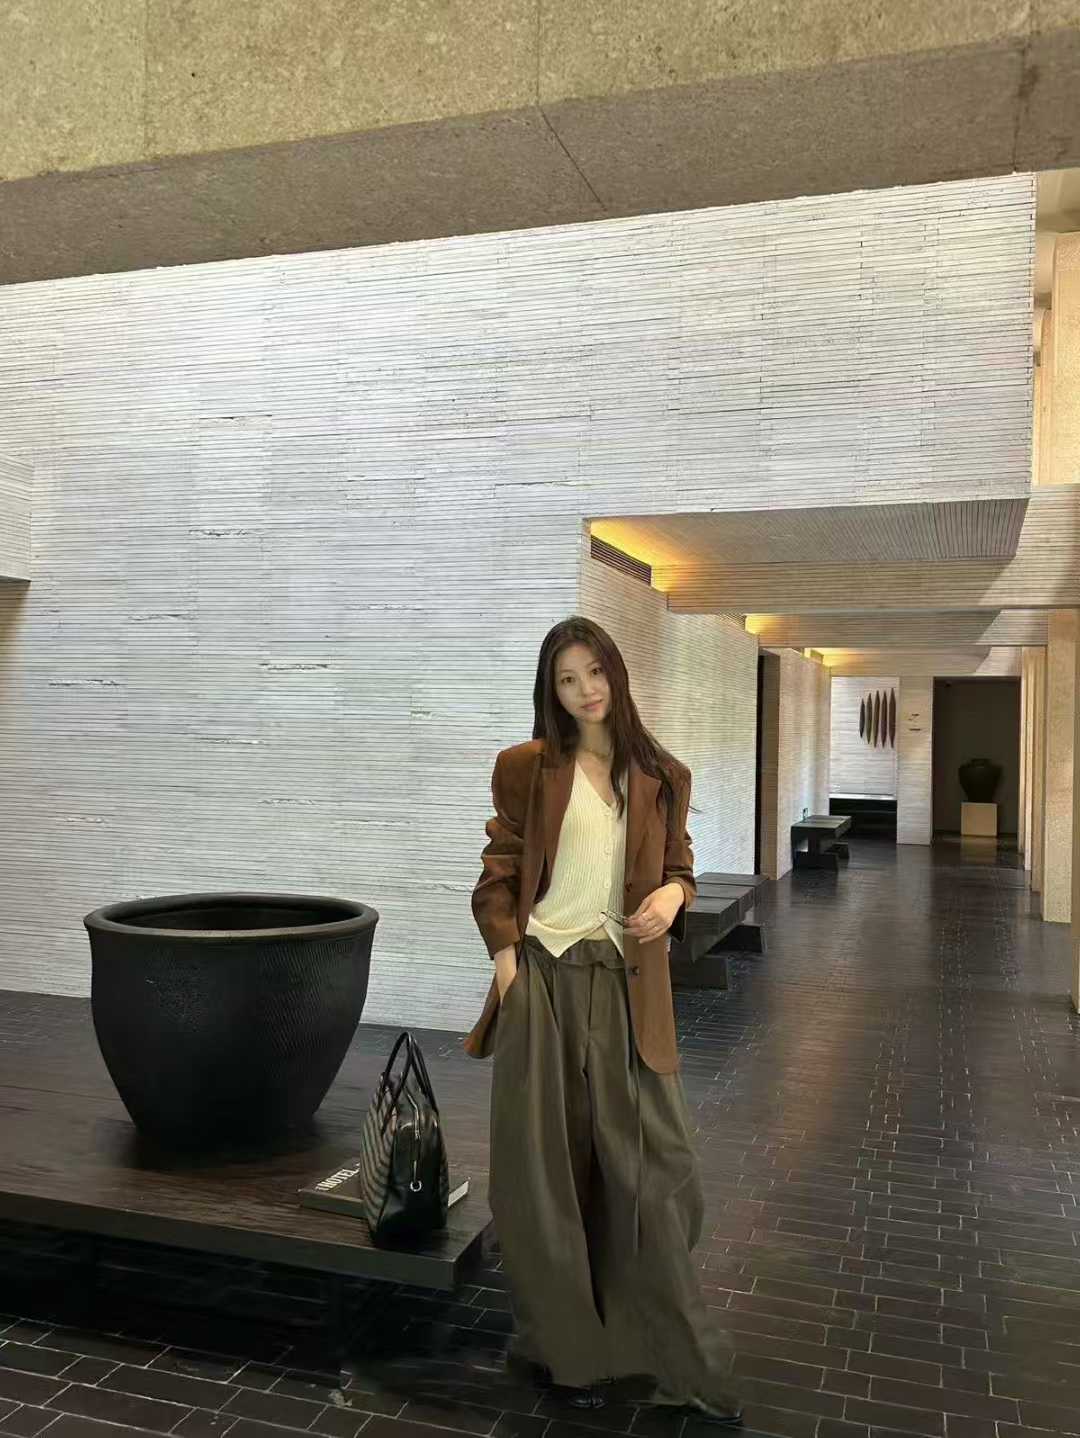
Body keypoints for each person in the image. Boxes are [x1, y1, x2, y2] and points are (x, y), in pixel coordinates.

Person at [464, 616, 742, 1424]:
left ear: (616, 673)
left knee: (655, 1173)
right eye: (566, 679)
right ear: (550, 692)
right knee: (543, 1178)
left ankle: (669, 1353)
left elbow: (681, 865)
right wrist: (510, 969)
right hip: (544, 982)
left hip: (625, 988)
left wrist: (674, 895)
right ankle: (570, 1355)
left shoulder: (661, 773)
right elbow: (498, 875)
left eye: (594, 672)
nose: (585, 690)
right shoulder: (526, 768)